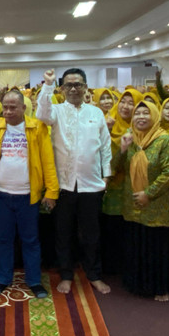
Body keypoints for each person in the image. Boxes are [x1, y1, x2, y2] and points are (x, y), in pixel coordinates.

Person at [0, 90, 58, 298]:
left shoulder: (37, 127)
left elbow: (48, 161)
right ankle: (3, 279)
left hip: (28, 195)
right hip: (1, 194)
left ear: (23, 107)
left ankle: (34, 281)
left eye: (13, 107)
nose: (9, 111)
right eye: (6, 107)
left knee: (30, 240)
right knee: (3, 239)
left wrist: (52, 191)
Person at [37, 69, 112, 294]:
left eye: (78, 84)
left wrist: (106, 175)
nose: (73, 89)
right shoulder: (56, 111)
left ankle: (94, 274)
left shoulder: (96, 113)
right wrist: (48, 85)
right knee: (64, 233)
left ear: (86, 87)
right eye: (68, 85)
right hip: (63, 184)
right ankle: (66, 274)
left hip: (91, 184)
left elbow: (105, 146)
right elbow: (41, 114)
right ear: (61, 89)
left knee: (91, 234)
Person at [116, 101, 169, 301]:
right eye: (138, 114)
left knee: (156, 248)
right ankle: (137, 284)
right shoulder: (130, 139)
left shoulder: (165, 140)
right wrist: (122, 150)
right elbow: (116, 168)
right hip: (133, 205)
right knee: (136, 246)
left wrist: (149, 193)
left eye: (146, 113)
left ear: (154, 116)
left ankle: (159, 288)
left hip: (157, 206)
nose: (141, 117)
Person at [101, 88, 142, 274]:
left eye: (131, 102)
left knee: (131, 231)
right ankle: (111, 267)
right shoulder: (107, 126)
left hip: (135, 187)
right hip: (112, 187)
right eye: (123, 102)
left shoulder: (142, 129)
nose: (126, 106)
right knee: (111, 228)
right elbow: (103, 160)